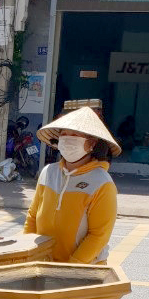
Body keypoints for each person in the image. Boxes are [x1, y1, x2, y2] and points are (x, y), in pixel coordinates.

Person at [24, 106, 121, 264]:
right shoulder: (48, 172)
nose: (68, 139)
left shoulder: (102, 183)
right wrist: (27, 253)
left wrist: (71, 267)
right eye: (64, 134)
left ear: (92, 143)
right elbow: (32, 217)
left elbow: (99, 235)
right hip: (43, 264)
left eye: (75, 135)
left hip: (84, 269)